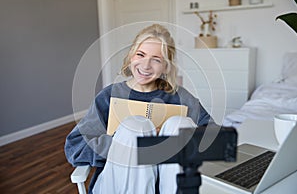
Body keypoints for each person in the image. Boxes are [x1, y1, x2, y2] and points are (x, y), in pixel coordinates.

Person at [65, 24, 212, 194]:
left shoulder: (181, 98)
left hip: (168, 187)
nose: (146, 65)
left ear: (166, 66)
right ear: (131, 57)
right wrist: (124, 144)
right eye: (140, 55)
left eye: (156, 59)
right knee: (134, 127)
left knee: (180, 126)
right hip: (117, 184)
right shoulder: (109, 96)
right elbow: (74, 147)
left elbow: (214, 136)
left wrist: (168, 141)